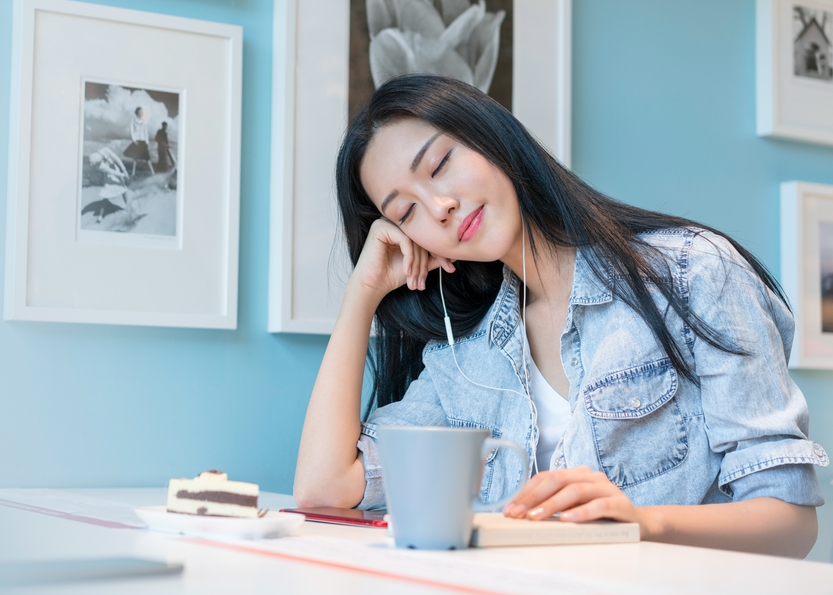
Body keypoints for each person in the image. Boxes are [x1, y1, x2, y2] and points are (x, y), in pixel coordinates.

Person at [293, 74, 828, 557]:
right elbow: (325, 489)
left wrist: (639, 523)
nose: (439, 207)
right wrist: (361, 295)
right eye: (406, 211)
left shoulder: (693, 273)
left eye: (439, 165)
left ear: (493, 136)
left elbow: (790, 524)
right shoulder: (464, 359)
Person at [124, 107, 153, 177]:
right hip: (136, 141)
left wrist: (147, 142)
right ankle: (133, 173)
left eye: (142, 112)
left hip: (143, 141)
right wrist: (134, 140)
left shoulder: (144, 121)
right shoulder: (133, 120)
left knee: (147, 158)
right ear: (137, 113)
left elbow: (146, 132)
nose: (141, 113)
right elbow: (132, 131)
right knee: (135, 157)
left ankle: (153, 172)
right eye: (140, 112)